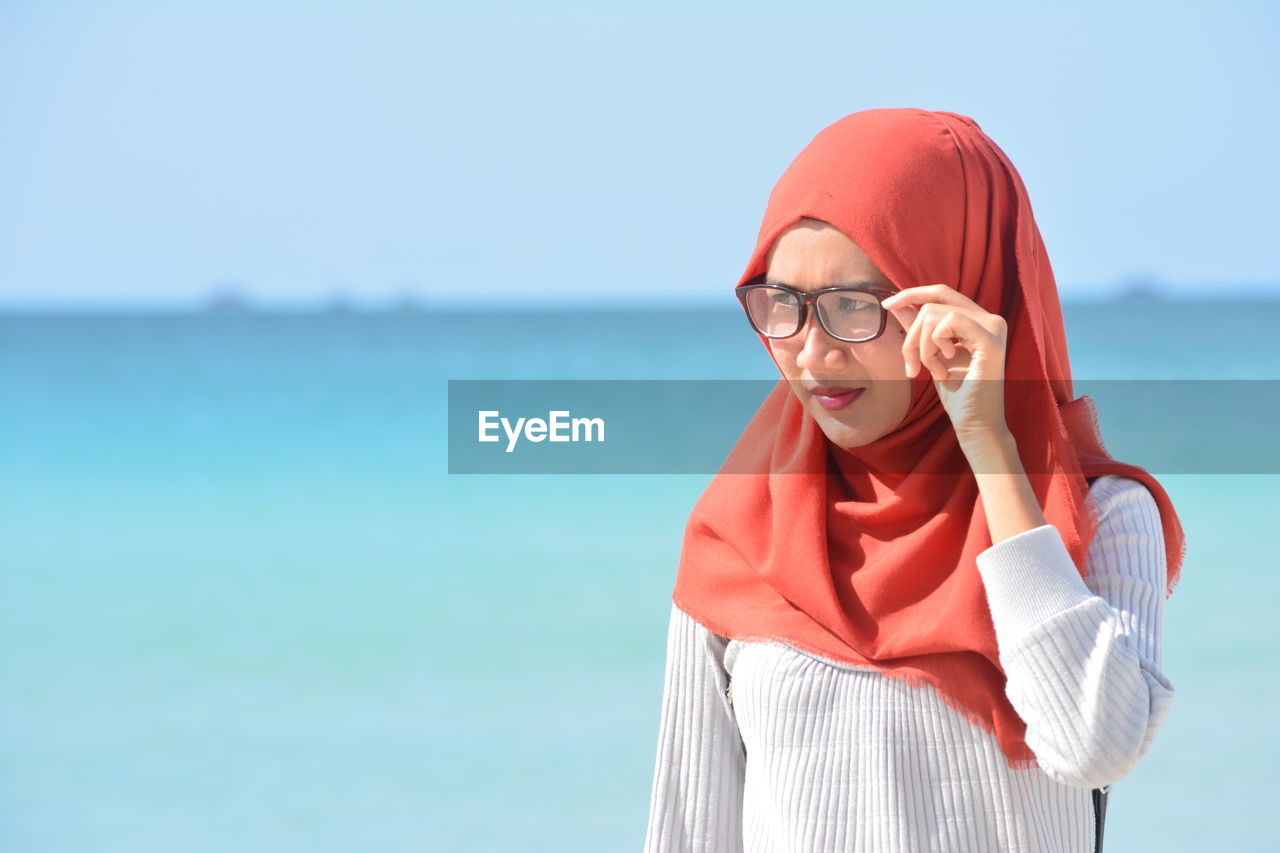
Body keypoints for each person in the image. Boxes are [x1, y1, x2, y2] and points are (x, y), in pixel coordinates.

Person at [643, 108, 1186, 853]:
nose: (812, 352)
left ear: (961, 295)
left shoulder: (1106, 520)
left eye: (853, 307)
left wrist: (989, 444)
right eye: (784, 305)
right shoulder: (738, 533)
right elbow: (687, 832)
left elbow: (1094, 745)